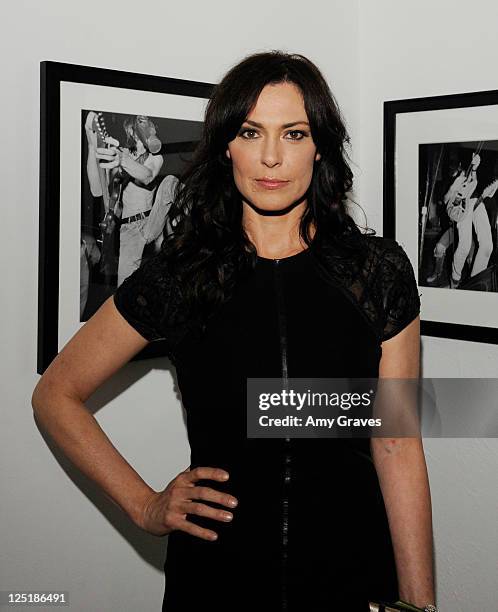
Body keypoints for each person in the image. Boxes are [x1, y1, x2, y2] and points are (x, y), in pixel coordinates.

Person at [32, 51, 437, 612]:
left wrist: (418, 606)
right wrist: (145, 505)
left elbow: (396, 443)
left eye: (293, 133)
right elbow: (56, 394)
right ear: (227, 145)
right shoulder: (180, 275)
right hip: (216, 580)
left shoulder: (377, 272)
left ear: (319, 146)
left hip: (351, 576)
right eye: (252, 132)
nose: (272, 157)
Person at [85, 112, 164, 285]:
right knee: (125, 286)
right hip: (130, 229)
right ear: (130, 131)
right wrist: (93, 147)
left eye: (147, 124)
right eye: (138, 125)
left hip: (151, 222)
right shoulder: (122, 154)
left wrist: (123, 160)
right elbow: (97, 190)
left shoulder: (155, 158)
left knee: (171, 183)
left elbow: (148, 175)